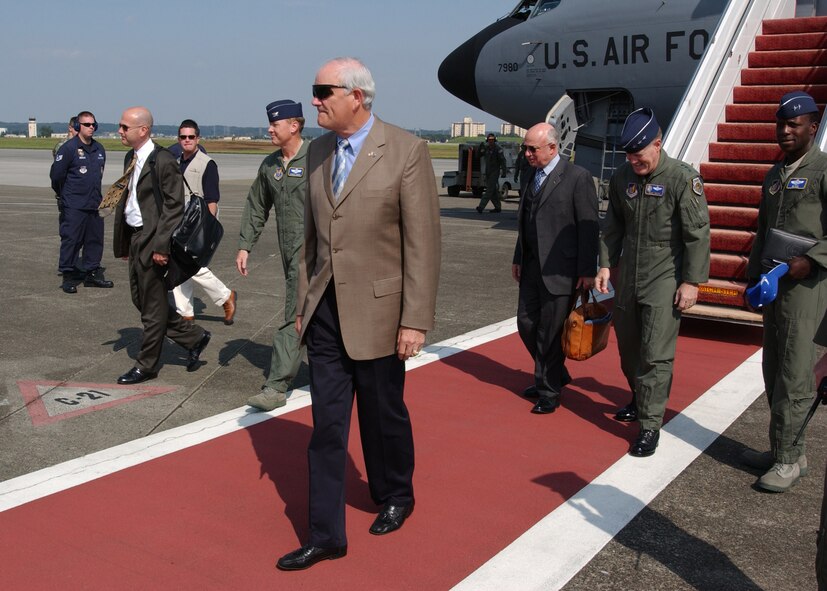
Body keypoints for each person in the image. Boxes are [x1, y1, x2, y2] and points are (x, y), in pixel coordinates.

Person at [276, 58, 441, 571]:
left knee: (382, 414)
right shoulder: (319, 151)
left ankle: (395, 493)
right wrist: (303, 306)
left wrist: (415, 319)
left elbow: (423, 245)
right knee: (326, 425)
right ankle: (326, 534)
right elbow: (310, 241)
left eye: (323, 91)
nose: (315, 101)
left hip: (381, 313)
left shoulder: (406, 151)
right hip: (326, 312)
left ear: (358, 96)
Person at [595, 107, 710, 457]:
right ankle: (638, 395)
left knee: (655, 355)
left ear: (657, 144)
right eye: (629, 154)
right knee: (628, 348)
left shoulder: (681, 178)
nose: (634, 160)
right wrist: (604, 265)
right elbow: (613, 227)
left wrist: (691, 282)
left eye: (640, 153)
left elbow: (697, 234)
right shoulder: (621, 178)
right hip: (629, 272)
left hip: (665, 272)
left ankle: (650, 425)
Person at [740, 91, 827, 492]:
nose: (786, 131)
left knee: (795, 373)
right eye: (781, 124)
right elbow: (763, 231)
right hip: (775, 284)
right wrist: (754, 276)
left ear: (813, 126)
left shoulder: (823, 170)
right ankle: (784, 449)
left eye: (795, 124)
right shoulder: (774, 175)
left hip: (806, 286)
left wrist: (813, 260)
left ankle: (790, 461)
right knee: (773, 369)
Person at [112, 106, 211, 385]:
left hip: (152, 239)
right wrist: (125, 244)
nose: (119, 131)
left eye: (124, 127)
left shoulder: (163, 160)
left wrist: (161, 246)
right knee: (141, 299)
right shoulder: (131, 158)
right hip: (135, 238)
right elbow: (130, 201)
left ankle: (147, 365)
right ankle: (194, 337)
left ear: (142, 130)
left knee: (152, 309)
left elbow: (174, 206)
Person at [511, 122, 599, 414]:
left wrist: (588, 270)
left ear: (552, 147)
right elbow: (525, 221)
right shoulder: (530, 175)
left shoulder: (577, 178)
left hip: (563, 270)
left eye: (532, 149)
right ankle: (555, 373)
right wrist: (518, 257)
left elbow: (589, 228)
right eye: (525, 148)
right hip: (533, 265)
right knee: (526, 323)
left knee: (550, 331)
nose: (527, 154)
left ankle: (548, 390)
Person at [237, 99, 308, 412]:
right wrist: (244, 245)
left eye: (275, 124)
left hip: (317, 254)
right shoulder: (269, 166)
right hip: (289, 253)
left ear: (294, 125)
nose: (269, 129)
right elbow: (256, 206)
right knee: (311, 313)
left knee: (294, 314)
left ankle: (277, 385)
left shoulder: (319, 158)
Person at [171, 119, 237, 325]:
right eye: (183, 137)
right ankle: (186, 312)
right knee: (178, 267)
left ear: (198, 138)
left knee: (194, 266)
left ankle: (225, 296)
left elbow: (212, 200)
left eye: (191, 137)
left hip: (196, 225)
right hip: (177, 222)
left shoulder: (207, 164)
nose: (187, 140)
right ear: (178, 139)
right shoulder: (175, 163)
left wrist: (205, 230)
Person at [49, 111, 114, 294]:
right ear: (78, 127)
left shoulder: (99, 149)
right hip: (74, 204)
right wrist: (66, 196)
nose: (91, 127)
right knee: (72, 239)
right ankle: (68, 275)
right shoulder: (68, 149)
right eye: (87, 124)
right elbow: (56, 176)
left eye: (94, 124)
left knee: (95, 239)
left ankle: (91, 273)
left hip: (94, 203)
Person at [475, 132, 507, 213]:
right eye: (489, 140)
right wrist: (480, 148)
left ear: (495, 140)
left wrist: (504, 171)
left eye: (492, 140)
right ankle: (498, 207)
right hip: (488, 172)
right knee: (493, 191)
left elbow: (503, 161)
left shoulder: (498, 149)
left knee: (489, 190)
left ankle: (481, 207)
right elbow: (478, 156)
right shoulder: (486, 148)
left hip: (494, 172)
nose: (491, 141)